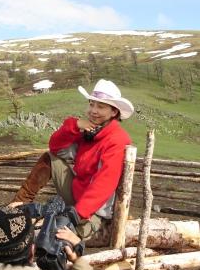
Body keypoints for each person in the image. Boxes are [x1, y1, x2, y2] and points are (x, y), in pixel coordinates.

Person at [11, 79, 134, 240]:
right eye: (91, 104)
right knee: (50, 158)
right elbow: (55, 147)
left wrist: (76, 214)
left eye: (101, 106)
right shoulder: (90, 130)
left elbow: (104, 183)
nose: (93, 110)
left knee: (55, 237)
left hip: (95, 208)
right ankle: (18, 204)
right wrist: (75, 125)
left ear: (114, 112)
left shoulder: (116, 140)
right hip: (77, 192)